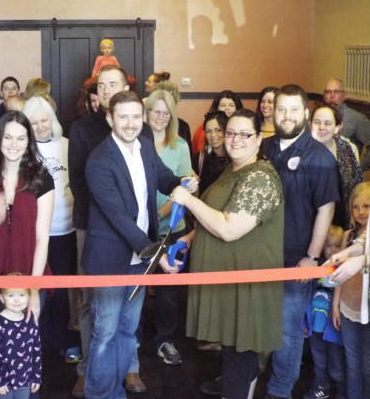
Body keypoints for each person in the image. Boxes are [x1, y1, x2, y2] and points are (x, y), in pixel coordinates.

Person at [167, 108, 284, 399]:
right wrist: (191, 238)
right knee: (234, 356)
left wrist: (188, 200)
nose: (235, 139)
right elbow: (218, 214)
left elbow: (230, 228)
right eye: (230, 132)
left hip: (246, 284)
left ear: (259, 139)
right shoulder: (232, 169)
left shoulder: (260, 178)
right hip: (230, 282)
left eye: (244, 134)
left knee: (240, 360)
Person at [82, 90, 182, 399]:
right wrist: (157, 253)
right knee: (105, 333)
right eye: (123, 117)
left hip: (139, 262)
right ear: (109, 118)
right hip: (110, 261)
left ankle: (116, 392)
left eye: (136, 116)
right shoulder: (98, 160)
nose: (130, 123)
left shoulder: (146, 146)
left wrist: (180, 186)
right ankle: (100, 394)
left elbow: (163, 176)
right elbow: (119, 219)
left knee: (127, 331)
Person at [68, 65, 152, 397]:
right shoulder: (86, 135)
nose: (105, 90)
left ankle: (125, 373)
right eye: (100, 86)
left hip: (136, 245)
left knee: (127, 323)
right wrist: (104, 222)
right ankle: (95, 380)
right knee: (100, 317)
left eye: (112, 84)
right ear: (110, 118)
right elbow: (82, 184)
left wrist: (180, 185)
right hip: (100, 234)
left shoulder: (142, 140)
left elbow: (156, 177)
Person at [0, 110, 54, 399]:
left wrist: (34, 289)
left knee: (27, 344)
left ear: (29, 142)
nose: (14, 144)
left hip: (29, 273)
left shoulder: (42, 178)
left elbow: (42, 238)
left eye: (21, 138)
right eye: (8, 137)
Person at [261, 84, 339, 399]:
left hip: (295, 258)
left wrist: (311, 257)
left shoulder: (319, 156)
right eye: (281, 109)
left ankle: (280, 390)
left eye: (294, 109)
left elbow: (326, 209)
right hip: (257, 255)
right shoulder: (263, 147)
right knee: (255, 319)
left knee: (287, 329)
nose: (287, 115)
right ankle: (245, 377)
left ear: (305, 113)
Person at [22, 95, 80, 362]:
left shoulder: (67, 145)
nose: (40, 127)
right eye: (33, 123)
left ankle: (65, 340)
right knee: (38, 289)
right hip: (34, 234)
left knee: (62, 291)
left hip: (66, 230)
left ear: (53, 120)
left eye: (44, 120)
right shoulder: (23, 151)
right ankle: (38, 340)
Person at [145, 89, 191, 365]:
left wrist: (161, 214)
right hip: (141, 230)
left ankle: (165, 340)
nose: (161, 117)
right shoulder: (137, 143)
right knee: (136, 287)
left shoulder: (181, 146)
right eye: (156, 111)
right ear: (147, 113)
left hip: (173, 228)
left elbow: (185, 187)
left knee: (168, 292)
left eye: (166, 112)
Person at [324, 182, 370, 399]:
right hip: (349, 307)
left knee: (367, 364)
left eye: (366, 206)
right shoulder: (351, 235)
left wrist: (360, 261)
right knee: (352, 362)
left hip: (366, 308)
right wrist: (345, 254)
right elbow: (361, 244)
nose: (361, 212)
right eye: (355, 206)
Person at [303, 224, 346, 399]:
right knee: (319, 361)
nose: (333, 250)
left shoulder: (345, 270)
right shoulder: (316, 269)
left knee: (336, 365)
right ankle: (321, 387)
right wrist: (305, 322)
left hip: (334, 330)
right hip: (316, 327)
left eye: (338, 246)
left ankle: (342, 391)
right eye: (328, 246)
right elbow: (307, 296)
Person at [0, 279, 42, 399]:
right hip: (3, 381)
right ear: (2, 298)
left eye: (22, 295)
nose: (17, 300)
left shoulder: (30, 321)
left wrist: (36, 376)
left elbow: (36, 350)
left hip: (25, 379)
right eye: (10, 295)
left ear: (29, 297)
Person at [310, 103, 363, 229]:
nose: (321, 127)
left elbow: (357, 186)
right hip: (308, 221)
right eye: (317, 122)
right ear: (310, 124)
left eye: (327, 123)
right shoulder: (300, 151)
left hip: (341, 221)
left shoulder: (346, 149)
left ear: (337, 127)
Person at [323, 78, 370, 157]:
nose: (332, 96)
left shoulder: (358, 119)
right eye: (328, 92)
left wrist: (359, 164)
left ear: (344, 96)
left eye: (336, 92)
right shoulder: (317, 118)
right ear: (324, 96)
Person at [191, 90, 243, 156]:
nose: (227, 108)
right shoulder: (203, 128)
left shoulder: (242, 129)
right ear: (216, 108)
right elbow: (198, 152)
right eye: (223, 105)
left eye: (231, 105)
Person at [193, 111, 230, 195]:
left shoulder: (235, 159)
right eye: (208, 131)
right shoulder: (200, 159)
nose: (213, 135)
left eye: (218, 130)